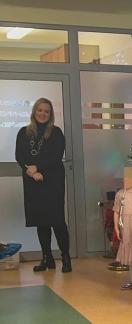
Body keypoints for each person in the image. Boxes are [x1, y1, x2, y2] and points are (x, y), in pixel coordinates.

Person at [15, 98, 72, 273]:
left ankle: (65, 257)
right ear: (34, 112)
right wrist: (31, 172)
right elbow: (19, 156)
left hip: (52, 180)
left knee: (57, 220)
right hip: (32, 180)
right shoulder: (24, 132)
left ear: (50, 114)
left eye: (46, 111)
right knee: (41, 221)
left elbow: (56, 157)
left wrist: (37, 167)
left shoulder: (56, 132)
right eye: (40, 110)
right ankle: (47, 257)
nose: (43, 114)